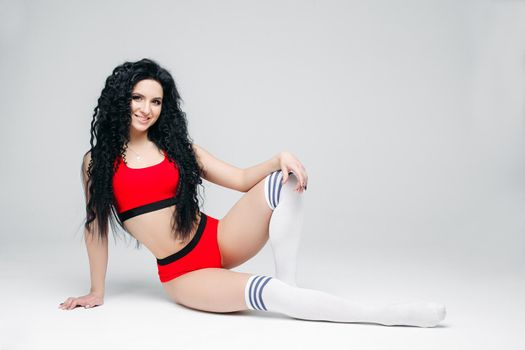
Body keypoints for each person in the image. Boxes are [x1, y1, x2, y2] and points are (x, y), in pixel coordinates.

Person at [58, 58, 446, 327]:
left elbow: (244, 179)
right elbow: (97, 228)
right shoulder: (97, 163)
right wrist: (96, 290)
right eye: (137, 98)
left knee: (286, 179)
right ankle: (381, 314)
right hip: (185, 271)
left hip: (219, 238)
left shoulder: (178, 148)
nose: (146, 109)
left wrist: (280, 157)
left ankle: (289, 284)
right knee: (271, 296)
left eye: (156, 101)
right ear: (120, 99)